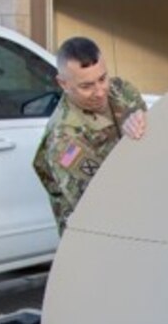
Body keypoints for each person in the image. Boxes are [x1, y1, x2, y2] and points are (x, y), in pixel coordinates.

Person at [33, 37, 147, 234]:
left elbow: (151, 142)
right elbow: (99, 201)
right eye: (86, 86)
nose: (100, 92)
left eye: (102, 78)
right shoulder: (64, 141)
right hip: (96, 234)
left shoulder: (122, 90)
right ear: (63, 83)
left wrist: (141, 122)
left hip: (137, 213)